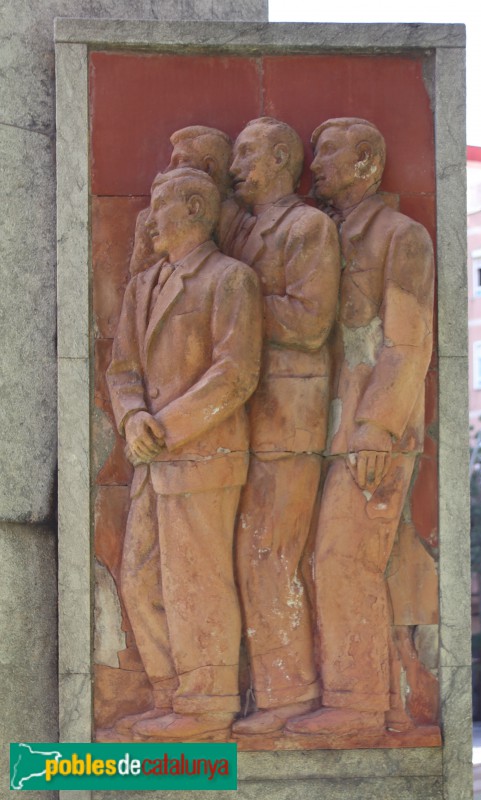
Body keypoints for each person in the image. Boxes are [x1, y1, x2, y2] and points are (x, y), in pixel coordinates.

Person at [286, 117, 434, 736]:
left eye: (327, 154)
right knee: (326, 562)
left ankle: (358, 705)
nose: (314, 165)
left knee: (342, 559)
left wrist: (374, 428)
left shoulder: (401, 238)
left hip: (373, 436)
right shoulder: (323, 237)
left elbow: (406, 342)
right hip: (320, 434)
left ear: (368, 160)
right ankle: (380, 701)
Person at [106, 167, 262, 740]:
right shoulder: (143, 286)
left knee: (198, 581)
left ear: (195, 209)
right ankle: (172, 695)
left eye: (160, 207)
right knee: (142, 581)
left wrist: (164, 425)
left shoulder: (229, 280)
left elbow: (236, 372)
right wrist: (131, 416)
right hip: (153, 457)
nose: (150, 221)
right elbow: (121, 369)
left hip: (203, 456)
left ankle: (209, 702)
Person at [221, 117, 340, 735]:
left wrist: (231, 298)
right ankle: (272, 690)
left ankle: (290, 697)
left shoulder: (307, 227)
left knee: (271, 556)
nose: (236, 164)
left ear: (280, 159)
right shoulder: (241, 227)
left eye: (246, 153)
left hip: (290, 419)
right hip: (246, 419)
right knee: (251, 557)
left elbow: (312, 321)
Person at [129, 125, 242, 276]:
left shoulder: (240, 218)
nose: (169, 169)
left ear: (209, 167)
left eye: (180, 161)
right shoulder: (148, 220)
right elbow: (140, 280)